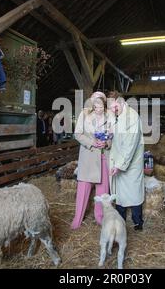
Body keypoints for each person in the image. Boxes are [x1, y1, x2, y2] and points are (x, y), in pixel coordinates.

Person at [71, 91, 114, 229]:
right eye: (94, 101)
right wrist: (91, 142)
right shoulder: (84, 114)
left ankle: (100, 217)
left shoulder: (109, 115)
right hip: (88, 157)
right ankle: (77, 219)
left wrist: (107, 143)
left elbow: (114, 136)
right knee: (83, 190)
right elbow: (77, 134)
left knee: (103, 191)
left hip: (103, 158)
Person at [108, 91, 145, 231]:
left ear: (122, 102)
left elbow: (130, 144)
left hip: (131, 163)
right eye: (110, 108)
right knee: (119, 195)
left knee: (134, 193)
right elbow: (117, 138)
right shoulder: (120, 116)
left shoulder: (132, 116)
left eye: (115, 107)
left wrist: (119, 165)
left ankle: (138, 222)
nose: (113, 110)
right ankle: (120, 221)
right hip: (120, 161)